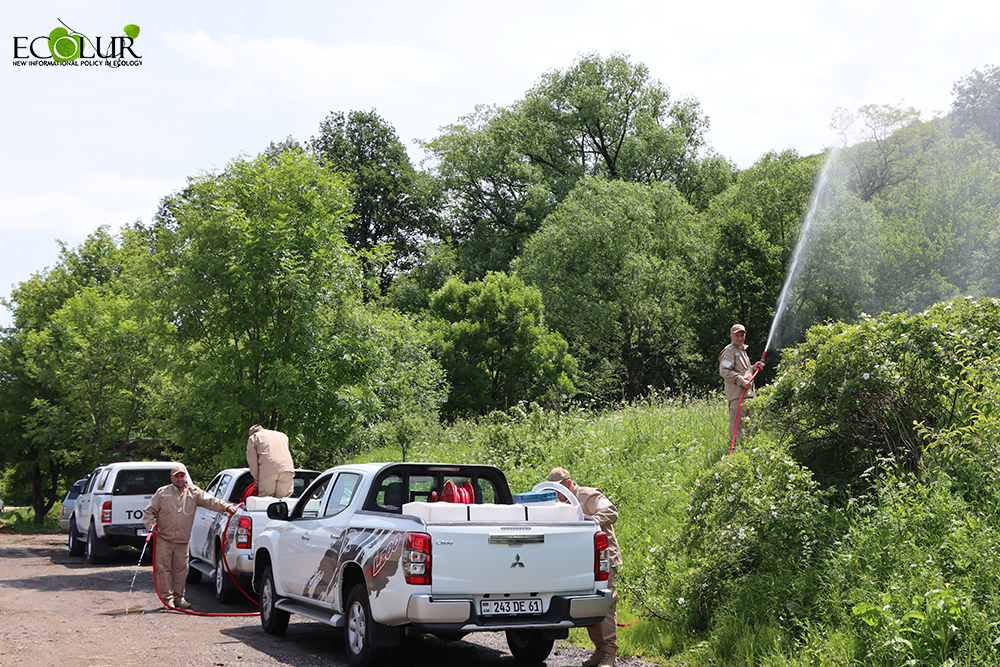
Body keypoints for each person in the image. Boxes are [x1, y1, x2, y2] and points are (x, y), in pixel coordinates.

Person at [548, 467, 621, 667]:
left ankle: (609, 653)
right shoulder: (562, 504)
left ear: (569, 484)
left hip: (603, 559)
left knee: (606, 604)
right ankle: (599, 650)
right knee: (590, 605)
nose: (558, 496)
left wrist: (592, 521)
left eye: (560, 491)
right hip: (582, 562)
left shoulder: (589, 495)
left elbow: (611, 511)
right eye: (555, 492)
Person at [142, 465, 237, 609]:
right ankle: (167, 600)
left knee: (181, 570)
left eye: (182, 476)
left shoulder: (194, 492)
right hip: (164, 539)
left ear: (185, 477)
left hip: (182, 540)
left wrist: (226, 507)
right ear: (171, 478)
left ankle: (179, 598)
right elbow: (148, 512)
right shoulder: (162, 493)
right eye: (176, 476)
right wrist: (151, 527)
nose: (180, 479)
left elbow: (211, 500)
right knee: (163, 569)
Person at [719, 323, 765, 441]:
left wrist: (753, 367)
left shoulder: (741, 350)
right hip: (737, 396)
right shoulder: (730, 351)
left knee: (751, 425)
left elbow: (742, 370)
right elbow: (724, 371)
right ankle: (736, 451)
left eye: (742, 335)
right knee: (738, 426)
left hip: (748, 395)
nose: (740, 338)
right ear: (731, 337)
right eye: (737, 335)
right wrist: (741, 381)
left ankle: (749, 450)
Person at [246, 424, 295, 498]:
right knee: (284, 500)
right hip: (287, 469)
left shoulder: (254, 437)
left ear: (252, 433)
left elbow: (252, 462)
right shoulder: (282, 435)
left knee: (266, 501)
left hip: (267, 471)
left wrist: (257, 480)